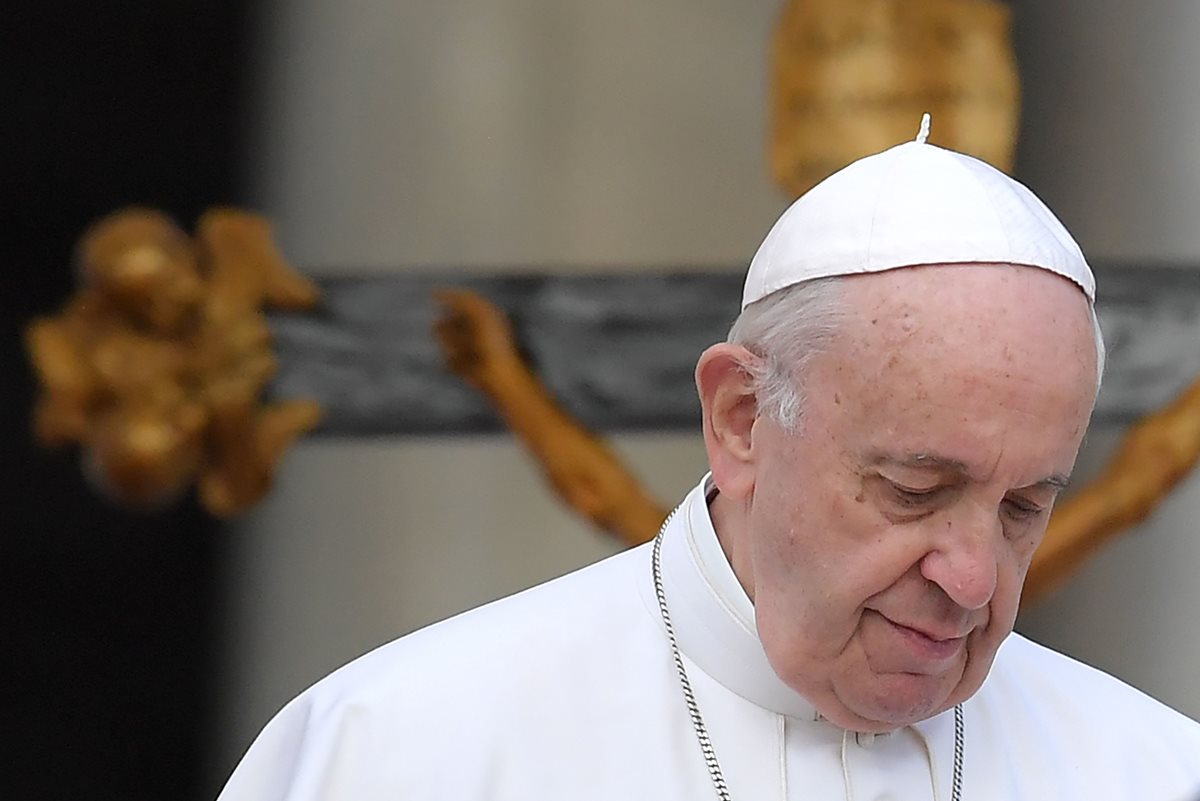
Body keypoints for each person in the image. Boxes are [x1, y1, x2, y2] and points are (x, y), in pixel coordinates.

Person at [216, 121, 1200, 800]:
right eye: (913, 491)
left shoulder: (1149, 772)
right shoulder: (400, 754)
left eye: (1025, 507)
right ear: (739, 419)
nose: (974, 577)